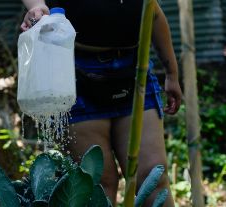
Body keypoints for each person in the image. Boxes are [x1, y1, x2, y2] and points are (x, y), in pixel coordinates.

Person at [20, 0, 182, 206]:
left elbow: (154, 13)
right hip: (69, 68)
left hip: (134, 68)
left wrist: (171, 73)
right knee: (97, 183)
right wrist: (36, 5)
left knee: (153, 177)